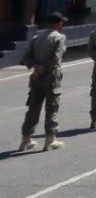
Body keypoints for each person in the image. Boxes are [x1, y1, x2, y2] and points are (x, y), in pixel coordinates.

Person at [19, 12, 67, 151]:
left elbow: (26, 57)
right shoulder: (60, 37)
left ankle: (26, 139)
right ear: (58, 24)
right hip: (51, 76)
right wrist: (43, 69)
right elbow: (56, 58)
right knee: (52, 107)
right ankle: (50, 139)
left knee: (33, 108)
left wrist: (36, 68)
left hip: (36, 77)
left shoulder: (36, 37)